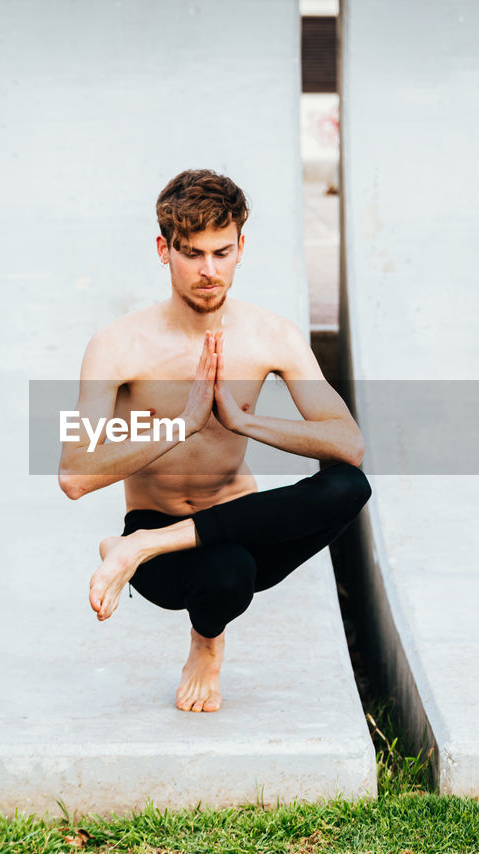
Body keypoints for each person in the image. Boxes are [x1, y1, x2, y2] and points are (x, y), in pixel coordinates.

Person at [58, 168, 371, 713]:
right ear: (163, 249)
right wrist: (182, 422)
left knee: (349, 486)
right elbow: (73, 474)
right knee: (228, 572)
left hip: (239, 521)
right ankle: (188, 615)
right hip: (161, 542)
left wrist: (243, 421)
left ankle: (140, 560)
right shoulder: (116, 345)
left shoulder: (273, 336)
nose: (208, 271)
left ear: (241, 248)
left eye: (221, 253)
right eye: (192, 253)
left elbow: (348, 444)